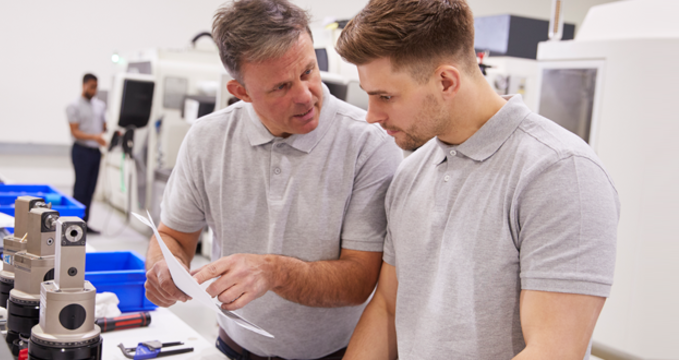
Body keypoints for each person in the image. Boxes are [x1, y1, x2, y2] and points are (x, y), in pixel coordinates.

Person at [335, 0, 620, 359]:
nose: (371, 116)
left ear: (446, 81)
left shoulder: (561, 173)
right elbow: (389, 309)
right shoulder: (411, 171)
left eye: (386, 96)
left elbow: (554, 349)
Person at [143, 0, 403, 359]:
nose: (305, 96)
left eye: (309, 71)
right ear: (242, 92)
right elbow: (173, 235)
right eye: (280, 87)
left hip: (335, 353)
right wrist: (165, 267)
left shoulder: (368, 143)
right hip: (233, 347)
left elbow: (359, 281)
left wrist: (273, 271)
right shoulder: (207, 139)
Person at [67, 73, 106, 234]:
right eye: (92, 87)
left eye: (96, 87)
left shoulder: (100, 106)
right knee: (80, 189)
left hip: (95, 152)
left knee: (90, 189)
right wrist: (94, 137)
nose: (94, 90)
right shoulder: (73, 106)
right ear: (84, 85)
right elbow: (75, 132)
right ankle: (73, 225)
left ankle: (85, 222)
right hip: (81, 151)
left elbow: (104, 126)